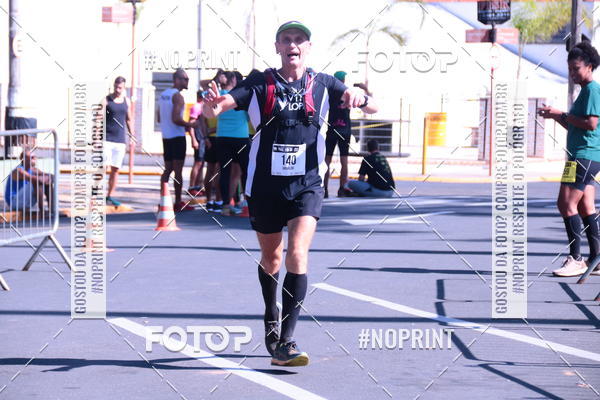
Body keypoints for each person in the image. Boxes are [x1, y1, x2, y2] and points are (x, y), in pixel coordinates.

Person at [203, 21, 378, 366]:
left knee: (297, 254)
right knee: (272, 259)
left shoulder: (324, 83)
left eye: (299, 40)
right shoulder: (260, 83)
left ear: (307, 48)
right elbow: (219, 106)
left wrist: (361, 98)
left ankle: (287, 340)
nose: (293, 45)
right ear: (278, 47)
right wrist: (211, 104)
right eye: (286, 40)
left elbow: (371, 107)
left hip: (307, 184)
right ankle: (271, 314)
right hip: (265, 186)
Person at [539, 41, 600, 277]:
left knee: (565, 204)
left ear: (589, 67)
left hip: (584, 156)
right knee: (585, 206)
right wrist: (556, 116)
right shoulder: (585, 91)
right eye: (570, 69)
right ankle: (596, 259)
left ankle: (576, 259)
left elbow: (591, 123)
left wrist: (561, 113)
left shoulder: (592, 90)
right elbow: (577, 126)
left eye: (576, 68)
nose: (573, 73)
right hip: (582, 155)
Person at [157, 68, 196, 212]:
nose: (187, 81)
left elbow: (159, 117)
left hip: (166, 136)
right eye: (185, 79)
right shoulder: (178, 96)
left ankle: (163, 201)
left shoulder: (163, 94)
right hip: (177, 137)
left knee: (167, 170)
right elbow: (176, 118)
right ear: (177, 80)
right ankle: (178, 202)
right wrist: (191, 124)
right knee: (178, 171)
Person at [215, 71, 251, 216]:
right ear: (234, 80)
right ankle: (247, 203)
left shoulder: (218, 96)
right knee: (246, 171)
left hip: (222, 137)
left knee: (225, 172)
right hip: (240, 137)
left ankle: (225, 205)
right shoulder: (239, 96)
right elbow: (248, 116)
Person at [104, 76, 134, 207]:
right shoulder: (106, 100)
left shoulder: (126, 101)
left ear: (124, 88)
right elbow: (98, 119)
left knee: (115, 169)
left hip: (120, 140)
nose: (117, 90)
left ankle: (109, 196)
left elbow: (129, 119)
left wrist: (132, 136)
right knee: (103, 167)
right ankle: (96, 194)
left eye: (120, 88)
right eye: (116, 87)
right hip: (106, 139)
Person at [324, 70, 352, 198]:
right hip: (344, 130)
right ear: (342, 80)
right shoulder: (348, 94)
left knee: (327, 160)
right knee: (344, 161)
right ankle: (342, 189)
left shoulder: (330, 94)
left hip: (332, 129)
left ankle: (324, 189)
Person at [188, 90, 209, 196]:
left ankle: (198, 186)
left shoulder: (202, 107)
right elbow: (191, 124)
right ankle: (192, 186)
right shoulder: (196, 107)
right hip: (198, 138)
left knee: (201, 163)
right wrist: (193, 139)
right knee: (198, 163)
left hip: (202, 138)